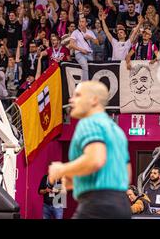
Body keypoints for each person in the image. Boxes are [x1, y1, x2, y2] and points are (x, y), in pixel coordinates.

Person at [48, 81, 131, 219]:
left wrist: (61, 169)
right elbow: (126, 175)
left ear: (94, 100)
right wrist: (77, 181)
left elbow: (96, 159)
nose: (71, 99)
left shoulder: (89, 121)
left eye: (77, 95)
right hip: (121, 206)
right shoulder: (117, 130)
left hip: (96, 206)